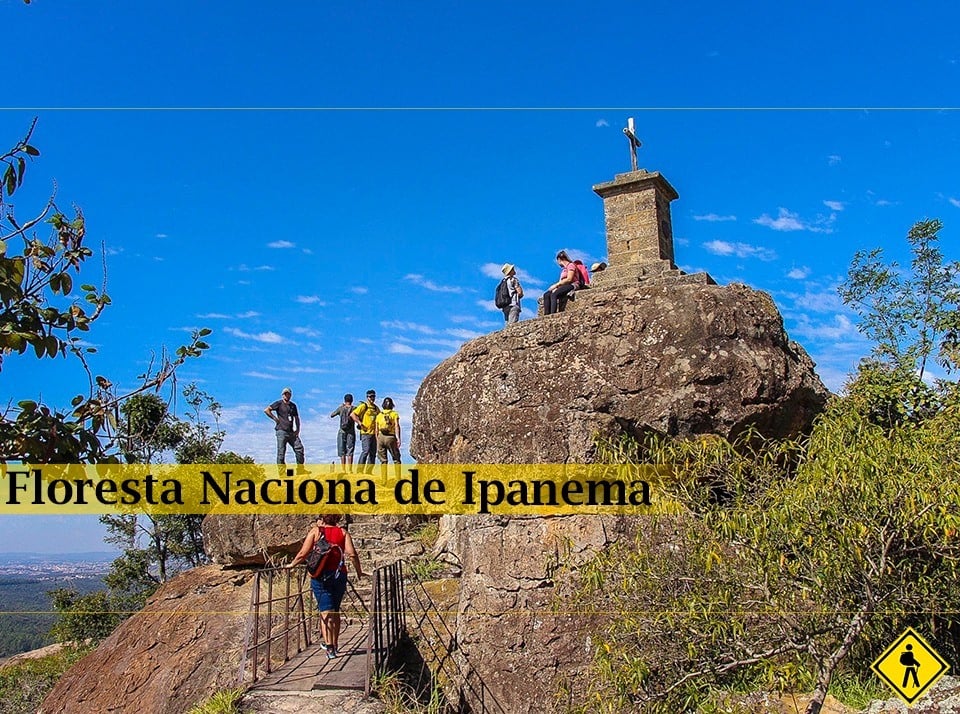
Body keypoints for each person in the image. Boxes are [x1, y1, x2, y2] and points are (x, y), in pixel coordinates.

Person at [287, 514, 364, 659]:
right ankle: (334, 644)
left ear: (323, 518)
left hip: (321, 576)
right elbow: (352, 554)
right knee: (335, 610)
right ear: (337, 518)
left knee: (325, 611)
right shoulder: (343, 532)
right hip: (339, 575)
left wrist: (292, 564)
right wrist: (359, 572)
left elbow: (303, 553)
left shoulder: (316, 531)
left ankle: (329, 647)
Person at [264, 387, 305, 469]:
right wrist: (275, 418)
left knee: (299, 448)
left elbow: (297, 418)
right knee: (281, 453)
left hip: (291, 431)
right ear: (282, 395)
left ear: (291, 395)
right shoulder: (279, 403)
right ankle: (282, 474)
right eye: (285, 394)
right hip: (281, 431)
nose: (287, 395)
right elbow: (267, 410)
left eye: (288, 394)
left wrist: (297, 429)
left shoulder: (293, 406)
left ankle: (300, 470)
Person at [351, 389, 380, 475]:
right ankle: (360, 471)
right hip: (365, 433)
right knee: (365, 451)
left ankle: (368, 472)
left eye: (373, 396)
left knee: (373, 453)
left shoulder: (376, 408)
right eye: (370, 396)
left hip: (373, 433)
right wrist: (360, 423)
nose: (372, 398)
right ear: (367, 397)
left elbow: (379, 417)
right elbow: (353, 414)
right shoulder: (364, 406)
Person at [542, 249, 579, 315]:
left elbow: (569, 279)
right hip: (563, 285)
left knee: (554, 294)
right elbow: (561, 281)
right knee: (546, 294)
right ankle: (546, 315)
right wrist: (556, 287)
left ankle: (553, 314)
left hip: (572, 285)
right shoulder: (564, 270)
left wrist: (556, 285)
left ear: (559, 259)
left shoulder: (571, 265)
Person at [375, 397, 402, 480]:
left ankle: (384, 480)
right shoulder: (394, 414)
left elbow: (376, 429)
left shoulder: (379, 415)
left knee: (383, 460)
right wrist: (398, 438)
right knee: (396, 458)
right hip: (391, 437)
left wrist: (377, 440)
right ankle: (398, 479)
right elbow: (397, 426)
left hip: (380, 437)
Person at [329, 393, 356, 472]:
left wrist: (341, 407)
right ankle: (350, 470)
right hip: (351, 431)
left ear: (344, 400)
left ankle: (343, 470)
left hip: (342, 431)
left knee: (342, 450)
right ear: (352, 400)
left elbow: (332, 415)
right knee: (350, 450)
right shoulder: (354, 408)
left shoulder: (341, 408)